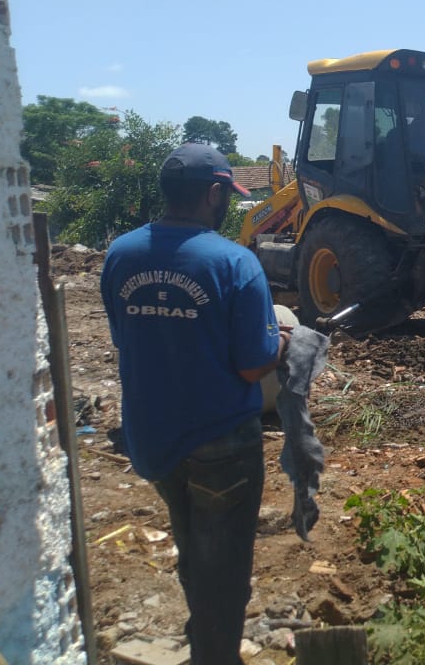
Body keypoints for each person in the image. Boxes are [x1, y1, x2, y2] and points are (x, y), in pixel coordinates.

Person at [100, 143, 288, 665]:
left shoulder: (121, 254)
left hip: (154, 435)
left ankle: (202, 634)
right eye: (227, 193)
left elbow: (126, 338)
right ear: (213, 193)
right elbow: (252, 365)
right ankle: (215, 653)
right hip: (222, 442)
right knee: (224, 569)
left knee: (192, 549)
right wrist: (283, 345)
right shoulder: (235, 262)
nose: (227, 202)